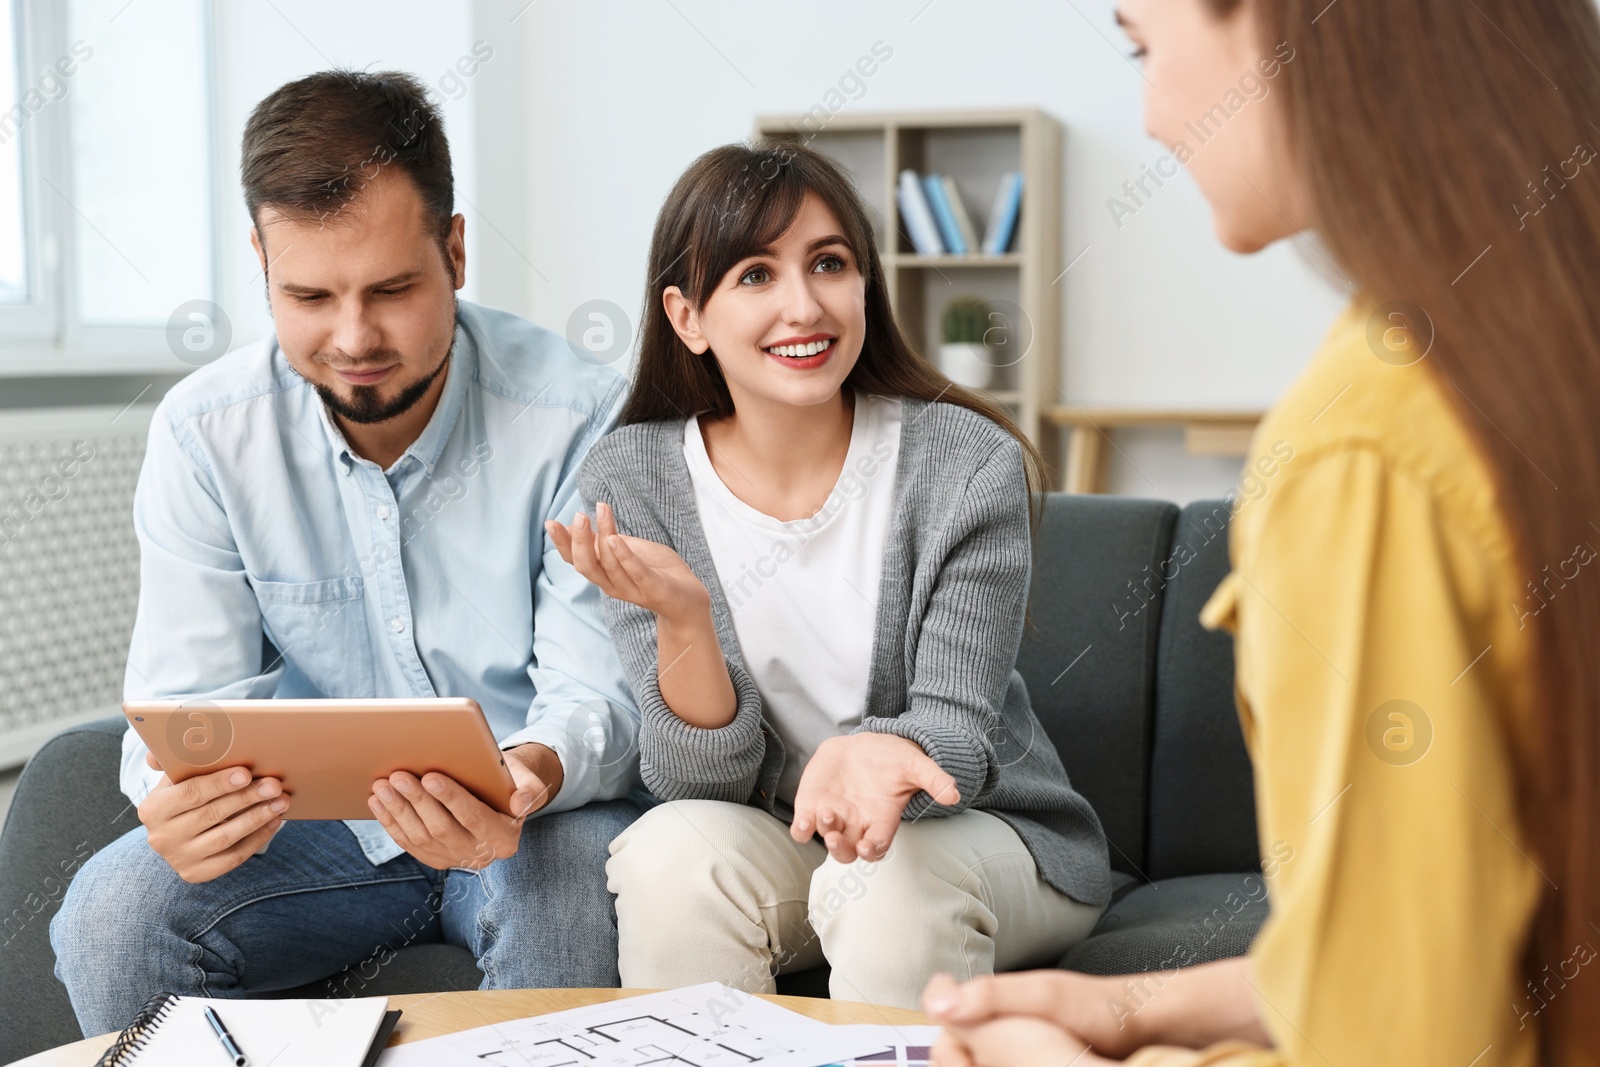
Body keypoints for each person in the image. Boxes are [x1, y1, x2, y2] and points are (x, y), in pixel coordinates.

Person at [920, 0, 1600, 1064]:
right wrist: (1139, 1012)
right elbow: (1450, 955)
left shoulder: (1359, 451)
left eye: (1141, 43)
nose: (1146, 114)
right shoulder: (1537, 335)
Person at [49, 70, 643, 1036]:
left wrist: (529, 769)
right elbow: (190, 704)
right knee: (115, 915)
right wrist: (173, 795)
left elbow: (598, 696)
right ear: (261, 262)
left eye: (393, 289)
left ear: (454, 251)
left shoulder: (581, 415)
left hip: (531, 824)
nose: (354, 337)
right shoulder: (207, 435)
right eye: (311, 295)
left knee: (569, 885)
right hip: (311, 833)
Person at [546, 141, 1112, 1010]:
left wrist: (873, 753)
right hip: (789, 839)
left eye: (829, 263)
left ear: (864, 284)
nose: (803, 305)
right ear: (687, 317)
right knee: (670, 850)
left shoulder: (964, 463)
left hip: (980, 837)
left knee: (887, 879)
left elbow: (955, 740)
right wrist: (684, 620)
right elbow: (702, 781)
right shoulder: (633, 476)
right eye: (755, 275)